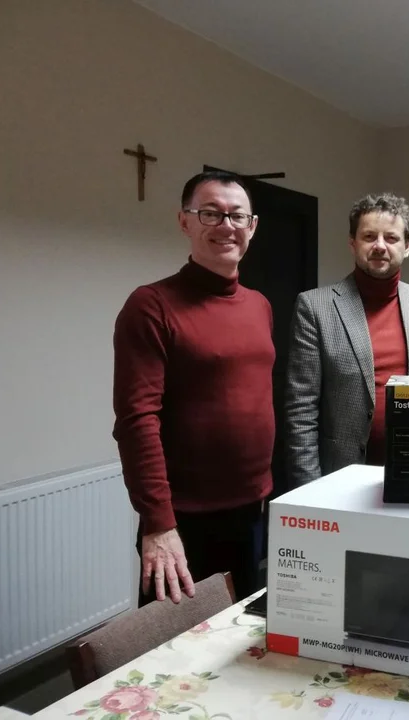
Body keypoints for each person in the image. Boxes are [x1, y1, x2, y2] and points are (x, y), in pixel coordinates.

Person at [113, 170, 274, 605]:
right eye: (210, 213)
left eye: (237, 216)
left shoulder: (259, 305)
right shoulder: (151, 306)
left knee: (243, 634)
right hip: (183, 519)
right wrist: (158, 524)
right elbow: (136, 420)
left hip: (251, 511)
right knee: (176, 644)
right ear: (185, 221)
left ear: (252, 227)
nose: (226, 226)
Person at [284, 193, 409, 486]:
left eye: (391, 238)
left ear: (406, 246)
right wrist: (308, 489)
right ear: (353, 243)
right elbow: (301, 410)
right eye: (369, 236)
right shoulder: (315, 307)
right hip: (339, 475)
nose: (380, 245)